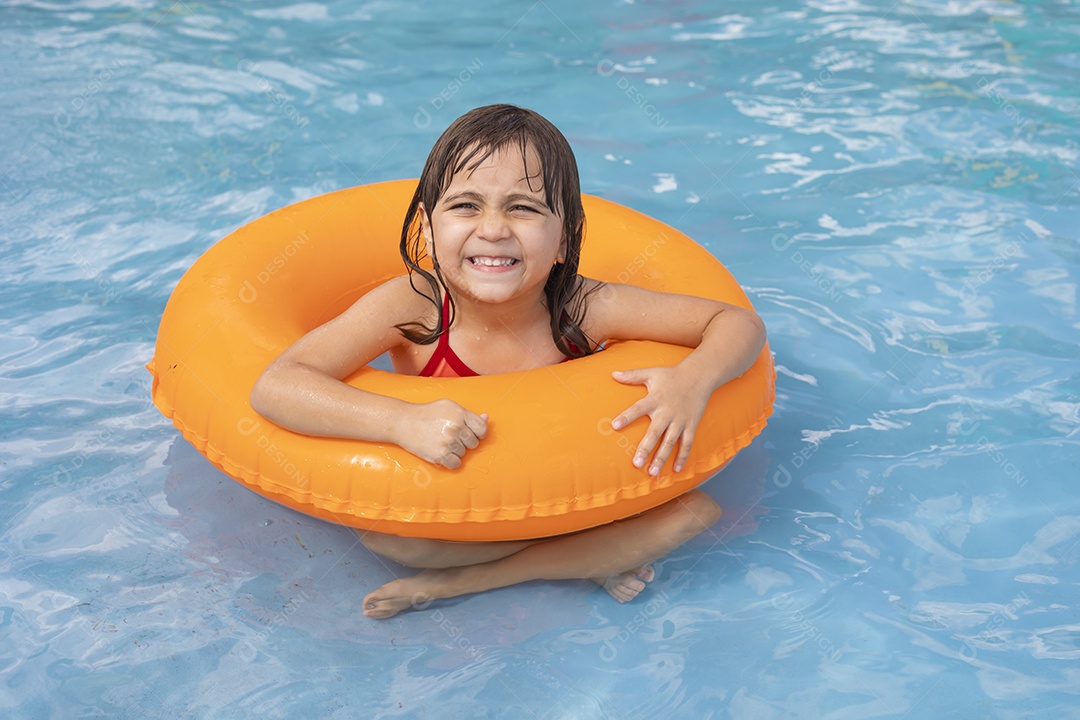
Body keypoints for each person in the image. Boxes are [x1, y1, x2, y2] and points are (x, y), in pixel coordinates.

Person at [250, 104, 766, 619]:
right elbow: (278, 385)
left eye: (523, 208)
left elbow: (738, 323)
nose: (493, 229)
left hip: (580, 497)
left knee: (692, 513)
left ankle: (468, 582)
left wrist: (691, 382)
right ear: (428, 229)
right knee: (395, 540)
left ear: (564, 236)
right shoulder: (414, 306)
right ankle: (584, 561)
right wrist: (399, 421)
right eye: (466, 206)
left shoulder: (584, 308)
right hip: (463, 511)